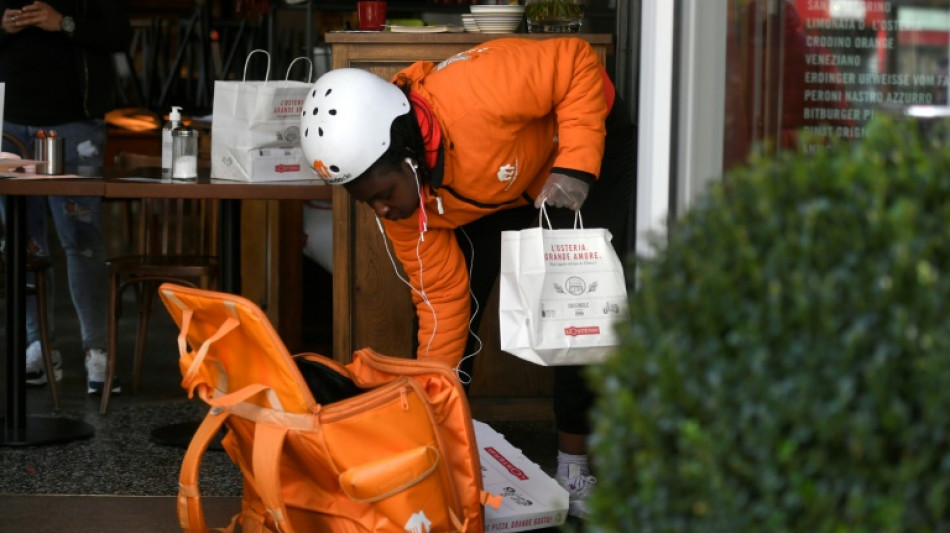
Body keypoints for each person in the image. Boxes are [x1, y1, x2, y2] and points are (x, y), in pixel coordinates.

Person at [299, 37, 636, 518]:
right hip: (494, 180)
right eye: (365, 200)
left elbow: (577, 62)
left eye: (382, 192)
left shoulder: (476, 95)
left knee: (574, 306)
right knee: (456, 309)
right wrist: (434, 410)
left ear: (408, 155)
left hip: (580, 142)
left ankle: (574, 465)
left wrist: (576, 166)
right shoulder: (404, 208)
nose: (381, 209)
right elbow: (442, 306)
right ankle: (444, 452)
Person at [0, 0, 131, 394]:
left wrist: (66, 23)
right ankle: (38, 346)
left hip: (75, 121)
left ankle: (97, 352)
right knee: (23, 242)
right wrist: (3, 26)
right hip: (10, 119)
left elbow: (120, 34)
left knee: (82, 239)